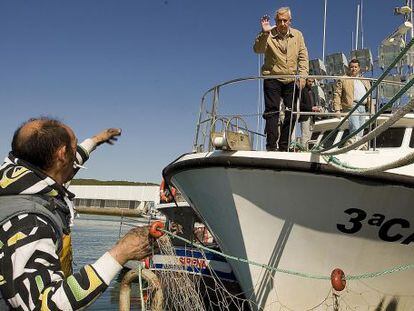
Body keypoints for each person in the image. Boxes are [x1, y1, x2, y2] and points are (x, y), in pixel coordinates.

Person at [0, 117, 153, 310]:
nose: (76, 153)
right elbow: (44, 305)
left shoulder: (14, 180)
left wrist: (97, 140)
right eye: (73, 147)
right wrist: (120, 254)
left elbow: (71, 160)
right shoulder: (30, 222)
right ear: (62, 154)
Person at [253, 7, 309, 151]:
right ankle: (271, 147)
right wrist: (264, 33)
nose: (282, 23)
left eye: (285, 20)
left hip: (291, 79)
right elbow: (258, 49)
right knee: (272, 112)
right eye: (279, 20)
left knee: (292, 113)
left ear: (290, 21)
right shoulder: (268, 34)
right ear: (276, 21)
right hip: (273, 77)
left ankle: (284, 146)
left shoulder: (298, 35)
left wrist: (303, 76)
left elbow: (303, 57)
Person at [333, 58, 372, 142]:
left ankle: (357, 146)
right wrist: (337, 109)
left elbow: (369, 95)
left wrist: (372, 110)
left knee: (361, 129)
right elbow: (337, 94)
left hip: (363, 107)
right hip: (352, 106)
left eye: (355, 67)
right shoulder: (343, 79)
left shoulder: (365, 80)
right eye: (351, 67)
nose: (353, 69)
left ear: (359, 68)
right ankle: (352, 146)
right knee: (355, 128)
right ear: (348, 68)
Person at [299, 78, 320, 148]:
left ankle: (307, 150)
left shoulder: (313, 92)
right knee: (305, 135)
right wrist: (311, 108)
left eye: (312, 81)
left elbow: (313, 104)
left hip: (312, 116)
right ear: (306, 81)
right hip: (305, 116)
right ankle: (303, 151)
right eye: (309, 81)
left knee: (310, 135)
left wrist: (316, 108)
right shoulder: (302, 91)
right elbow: (300, 105)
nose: (311, 83)